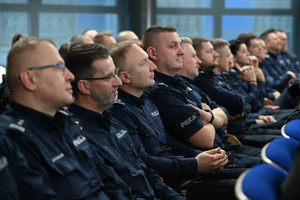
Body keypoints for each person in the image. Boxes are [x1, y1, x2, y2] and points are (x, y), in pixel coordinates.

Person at [0, 37, 131, 199]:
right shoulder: (11, 140)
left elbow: (108, 184)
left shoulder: (66, 122)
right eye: (59, 68)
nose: (70, 76)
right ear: (30, 79)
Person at [108, 40, 239, 200]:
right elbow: (144, 162)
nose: (153, 66)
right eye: (144, 63)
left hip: (186, 170)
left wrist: (205, 157)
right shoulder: (120, 112)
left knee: (252, 174)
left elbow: (169, 143)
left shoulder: (147, 100)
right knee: (248, 186)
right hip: (170, 183)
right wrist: (195, 164)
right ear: (125, 77)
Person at [65, 42, 184, 200]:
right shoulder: (77, 136)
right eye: (109, 77)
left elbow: (145, 173)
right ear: (85, 86)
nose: (118, 82)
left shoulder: (111, 121)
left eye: (115, 73)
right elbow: (115, 192)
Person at [141, 25, 261, 168]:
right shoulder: (160, 92)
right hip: (209, 167)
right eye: (173, 46)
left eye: (180, 46)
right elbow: (207, 139)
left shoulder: (181, 82)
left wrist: (208, 117)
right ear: (153, 53)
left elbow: (225, 112)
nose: (180, 52)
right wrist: (214, 117)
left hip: (226, 152)